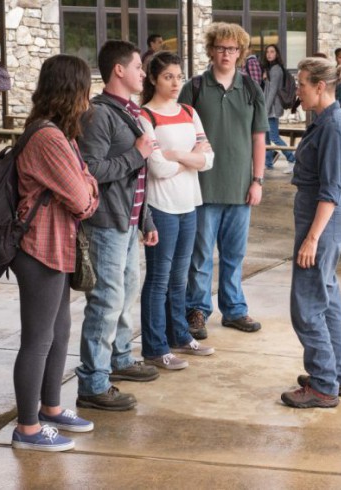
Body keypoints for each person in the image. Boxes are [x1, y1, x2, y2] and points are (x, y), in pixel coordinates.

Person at [10, 54, 100, 452]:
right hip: (39, 250)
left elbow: (83, 185)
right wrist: (88, 185)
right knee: (38, 339)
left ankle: (51, 408)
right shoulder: (47, 138)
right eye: (84, 87)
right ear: (70, 90)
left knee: (59, 332)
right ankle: (27, 429)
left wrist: (85, 182)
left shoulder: (61, 135)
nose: (89, 97)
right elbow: (84, 199)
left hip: (56, 246)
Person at [76, 40, 160, 412]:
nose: (144, 73)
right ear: (119, 71)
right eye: (139, 67)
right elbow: (91, 170)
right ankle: (93, 384)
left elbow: (137, 179)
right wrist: (136, 153)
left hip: (128, 222)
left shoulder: (130, 111)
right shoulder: (97, 114)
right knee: (106, 301)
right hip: (106, 223)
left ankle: (121, 359)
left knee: (126, 293)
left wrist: (146, 220)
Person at [178, 22, 268, 340]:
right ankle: (198, 310)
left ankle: (234, 309)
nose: (226, 54)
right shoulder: (194, 87)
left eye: (232, 49)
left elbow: (259, 139)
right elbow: (179, 132)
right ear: (211, 50)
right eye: (220, 47)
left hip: (241, 188)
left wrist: (257, 180)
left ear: (240, 53)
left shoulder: (252, 89)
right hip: (203, 188)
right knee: (200, 254)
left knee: (234, 255)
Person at [280, 57, 341, 409]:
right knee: (326, 301)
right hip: (321, 220)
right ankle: (334, 375)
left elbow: (331, 189)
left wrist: (312, 239)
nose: (298, 91)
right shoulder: (325, 122)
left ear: (320, 87)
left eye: (302, 84)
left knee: (307, 305)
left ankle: (323, 383)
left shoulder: (334, 127)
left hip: (321, 222)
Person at [138, 51, 216, 370]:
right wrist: (190, 158)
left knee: (179, 278)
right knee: (159, 279)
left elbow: (208, 160)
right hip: (162, 207)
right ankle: (155, 347)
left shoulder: (188, 111)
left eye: (178, 76)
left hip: (189, 204)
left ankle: (179, 336)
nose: (175, 82)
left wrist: (176, 155)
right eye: (168, 76)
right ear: (154, 78)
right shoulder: (145, 116)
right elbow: (156, 167)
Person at [261, 44, 295, 171]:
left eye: (272, 52)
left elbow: (273, 91)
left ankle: (292, 159)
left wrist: (265, 110)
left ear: (277, 54)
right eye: (267, 52)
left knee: (274, 137)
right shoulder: (271, 69)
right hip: (270, 108)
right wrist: (265, 80)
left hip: (272, 109)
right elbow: (270, 88)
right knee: (266, 137)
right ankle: (268, 163)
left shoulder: (275, 69)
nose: (269, 54)